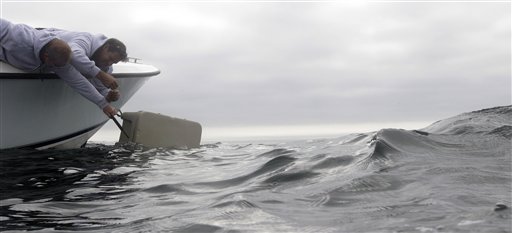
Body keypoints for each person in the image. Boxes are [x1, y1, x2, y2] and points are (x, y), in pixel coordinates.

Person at [0, 18, 119, 117]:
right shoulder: (20, 36)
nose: (58, 68)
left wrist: (104, 105)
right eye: (55, 65)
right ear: (47, 57)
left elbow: (78, 82)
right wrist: (100, 75)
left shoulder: (59, 63)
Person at [40, 27, 129, 117]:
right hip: (40, 39)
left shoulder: (106, 67)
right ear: (106, 47)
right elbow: (73, 54)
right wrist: (101, 75)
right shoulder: (85, 39)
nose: (109, 63)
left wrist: (108, 95)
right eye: (110, 58)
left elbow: (100, 87)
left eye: (113, 62)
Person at [0, 18, 71, 71]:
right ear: (46, 56)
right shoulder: (21, 38)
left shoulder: (49, 57)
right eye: (56, 65)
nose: (56, 68)